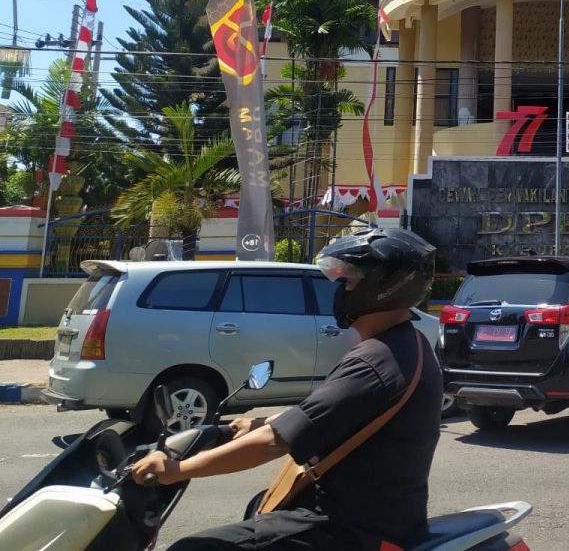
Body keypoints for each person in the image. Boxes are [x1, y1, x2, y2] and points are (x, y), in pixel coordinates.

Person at [131, 227, 444, 550]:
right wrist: (262, 422)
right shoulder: (405, 345)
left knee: (192, 549)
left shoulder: (375, 361)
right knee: (258, 508)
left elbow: (272, 445)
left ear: (383, 286)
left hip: (349, 527)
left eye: (349, 280)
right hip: (381, 516)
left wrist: (174, 470)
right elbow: (332, 413)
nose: (340, 289)